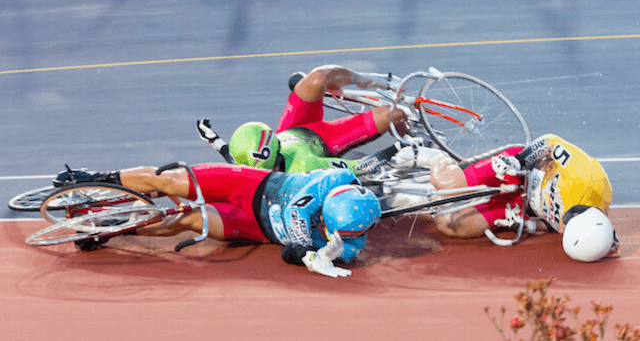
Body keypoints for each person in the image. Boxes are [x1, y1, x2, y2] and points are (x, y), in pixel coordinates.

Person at [54, 164, 382, 278]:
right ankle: (95, 178)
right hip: (251, 185)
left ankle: (115, 227)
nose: (326, 230)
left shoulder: (351, 244)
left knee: (190, 220)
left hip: (254, 228)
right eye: (324, 222)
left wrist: (316, 257)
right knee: (168, 179)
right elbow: (297, 211)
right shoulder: (332, 180)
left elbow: (288, 253)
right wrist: (313, 249)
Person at [427, 133, 618, 262]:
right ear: (579, 213)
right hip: (515, 171)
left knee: (449, 223)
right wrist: (516, 161)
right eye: (565, 225)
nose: (561, 228)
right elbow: (550, 141)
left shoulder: (594, 236)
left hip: (518, 207)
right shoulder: (587, 178)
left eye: (564, 233)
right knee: (446, 182)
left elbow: (552, 226)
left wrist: (530, 226)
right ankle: (427, 151)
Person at [206, 65, 422, 175]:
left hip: (294, 126)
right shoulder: (305, 164)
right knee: (396, 115)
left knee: (318, 77)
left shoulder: (248, 164)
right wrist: (394, 150)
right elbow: (359, 167)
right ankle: (414, 139)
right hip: (329, 141)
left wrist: (212, 138)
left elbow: (227, 154)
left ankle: (376, 81)